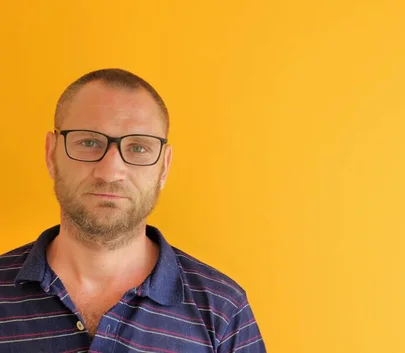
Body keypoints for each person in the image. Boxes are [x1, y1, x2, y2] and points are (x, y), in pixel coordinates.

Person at [0, 68, 266, 352]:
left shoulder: (224, 311)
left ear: (164, 167)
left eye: (138, 148)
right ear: (51, 154)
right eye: (89, 142)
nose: (111, 172)